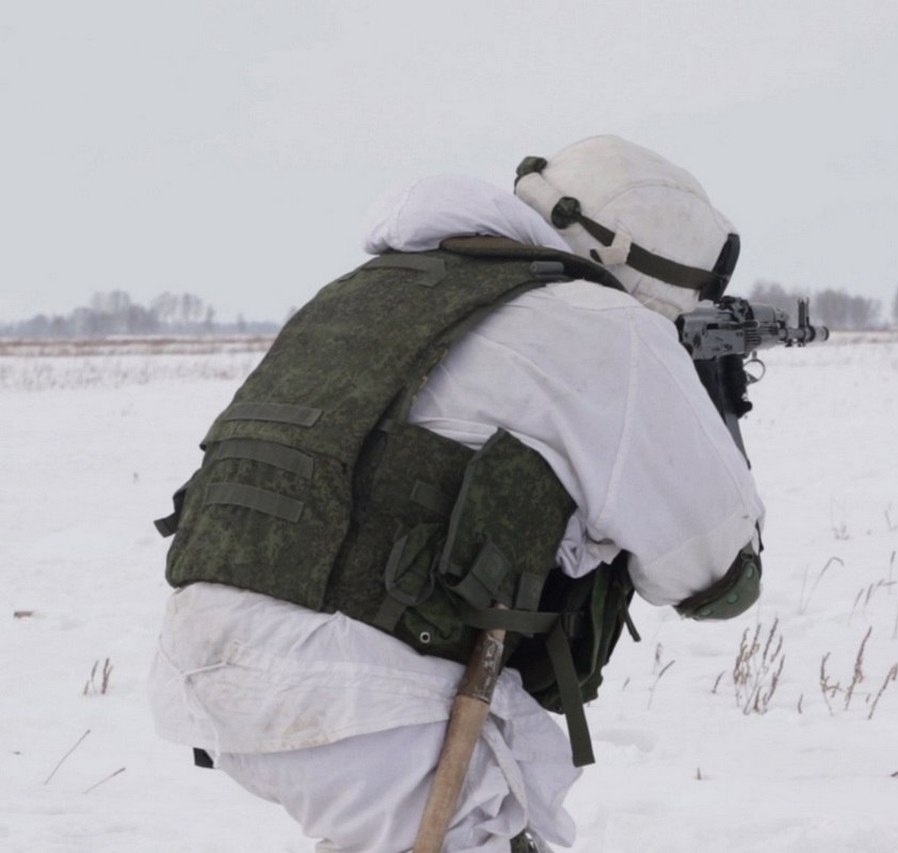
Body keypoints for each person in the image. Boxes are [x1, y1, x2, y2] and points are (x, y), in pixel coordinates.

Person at [148, 134, 765, 852]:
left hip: (201, 659)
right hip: (361, 698)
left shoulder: (370, 288)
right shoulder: (609, 325)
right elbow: (719, 576)